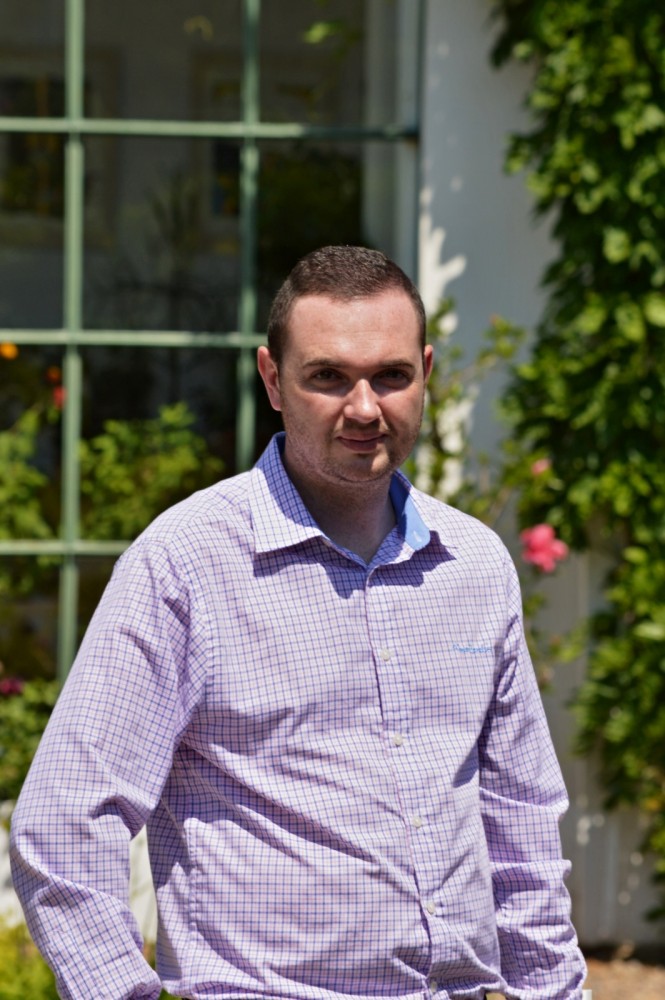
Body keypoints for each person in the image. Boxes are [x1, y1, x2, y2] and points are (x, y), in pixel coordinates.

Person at [11, 246, 586, 1000]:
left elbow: (522, 834)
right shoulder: (187, 564)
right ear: (272, 379)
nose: (364, 408)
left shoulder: (473, 566)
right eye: (328, 377)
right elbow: (62, 826)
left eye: (391, 375)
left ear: (426, 372)